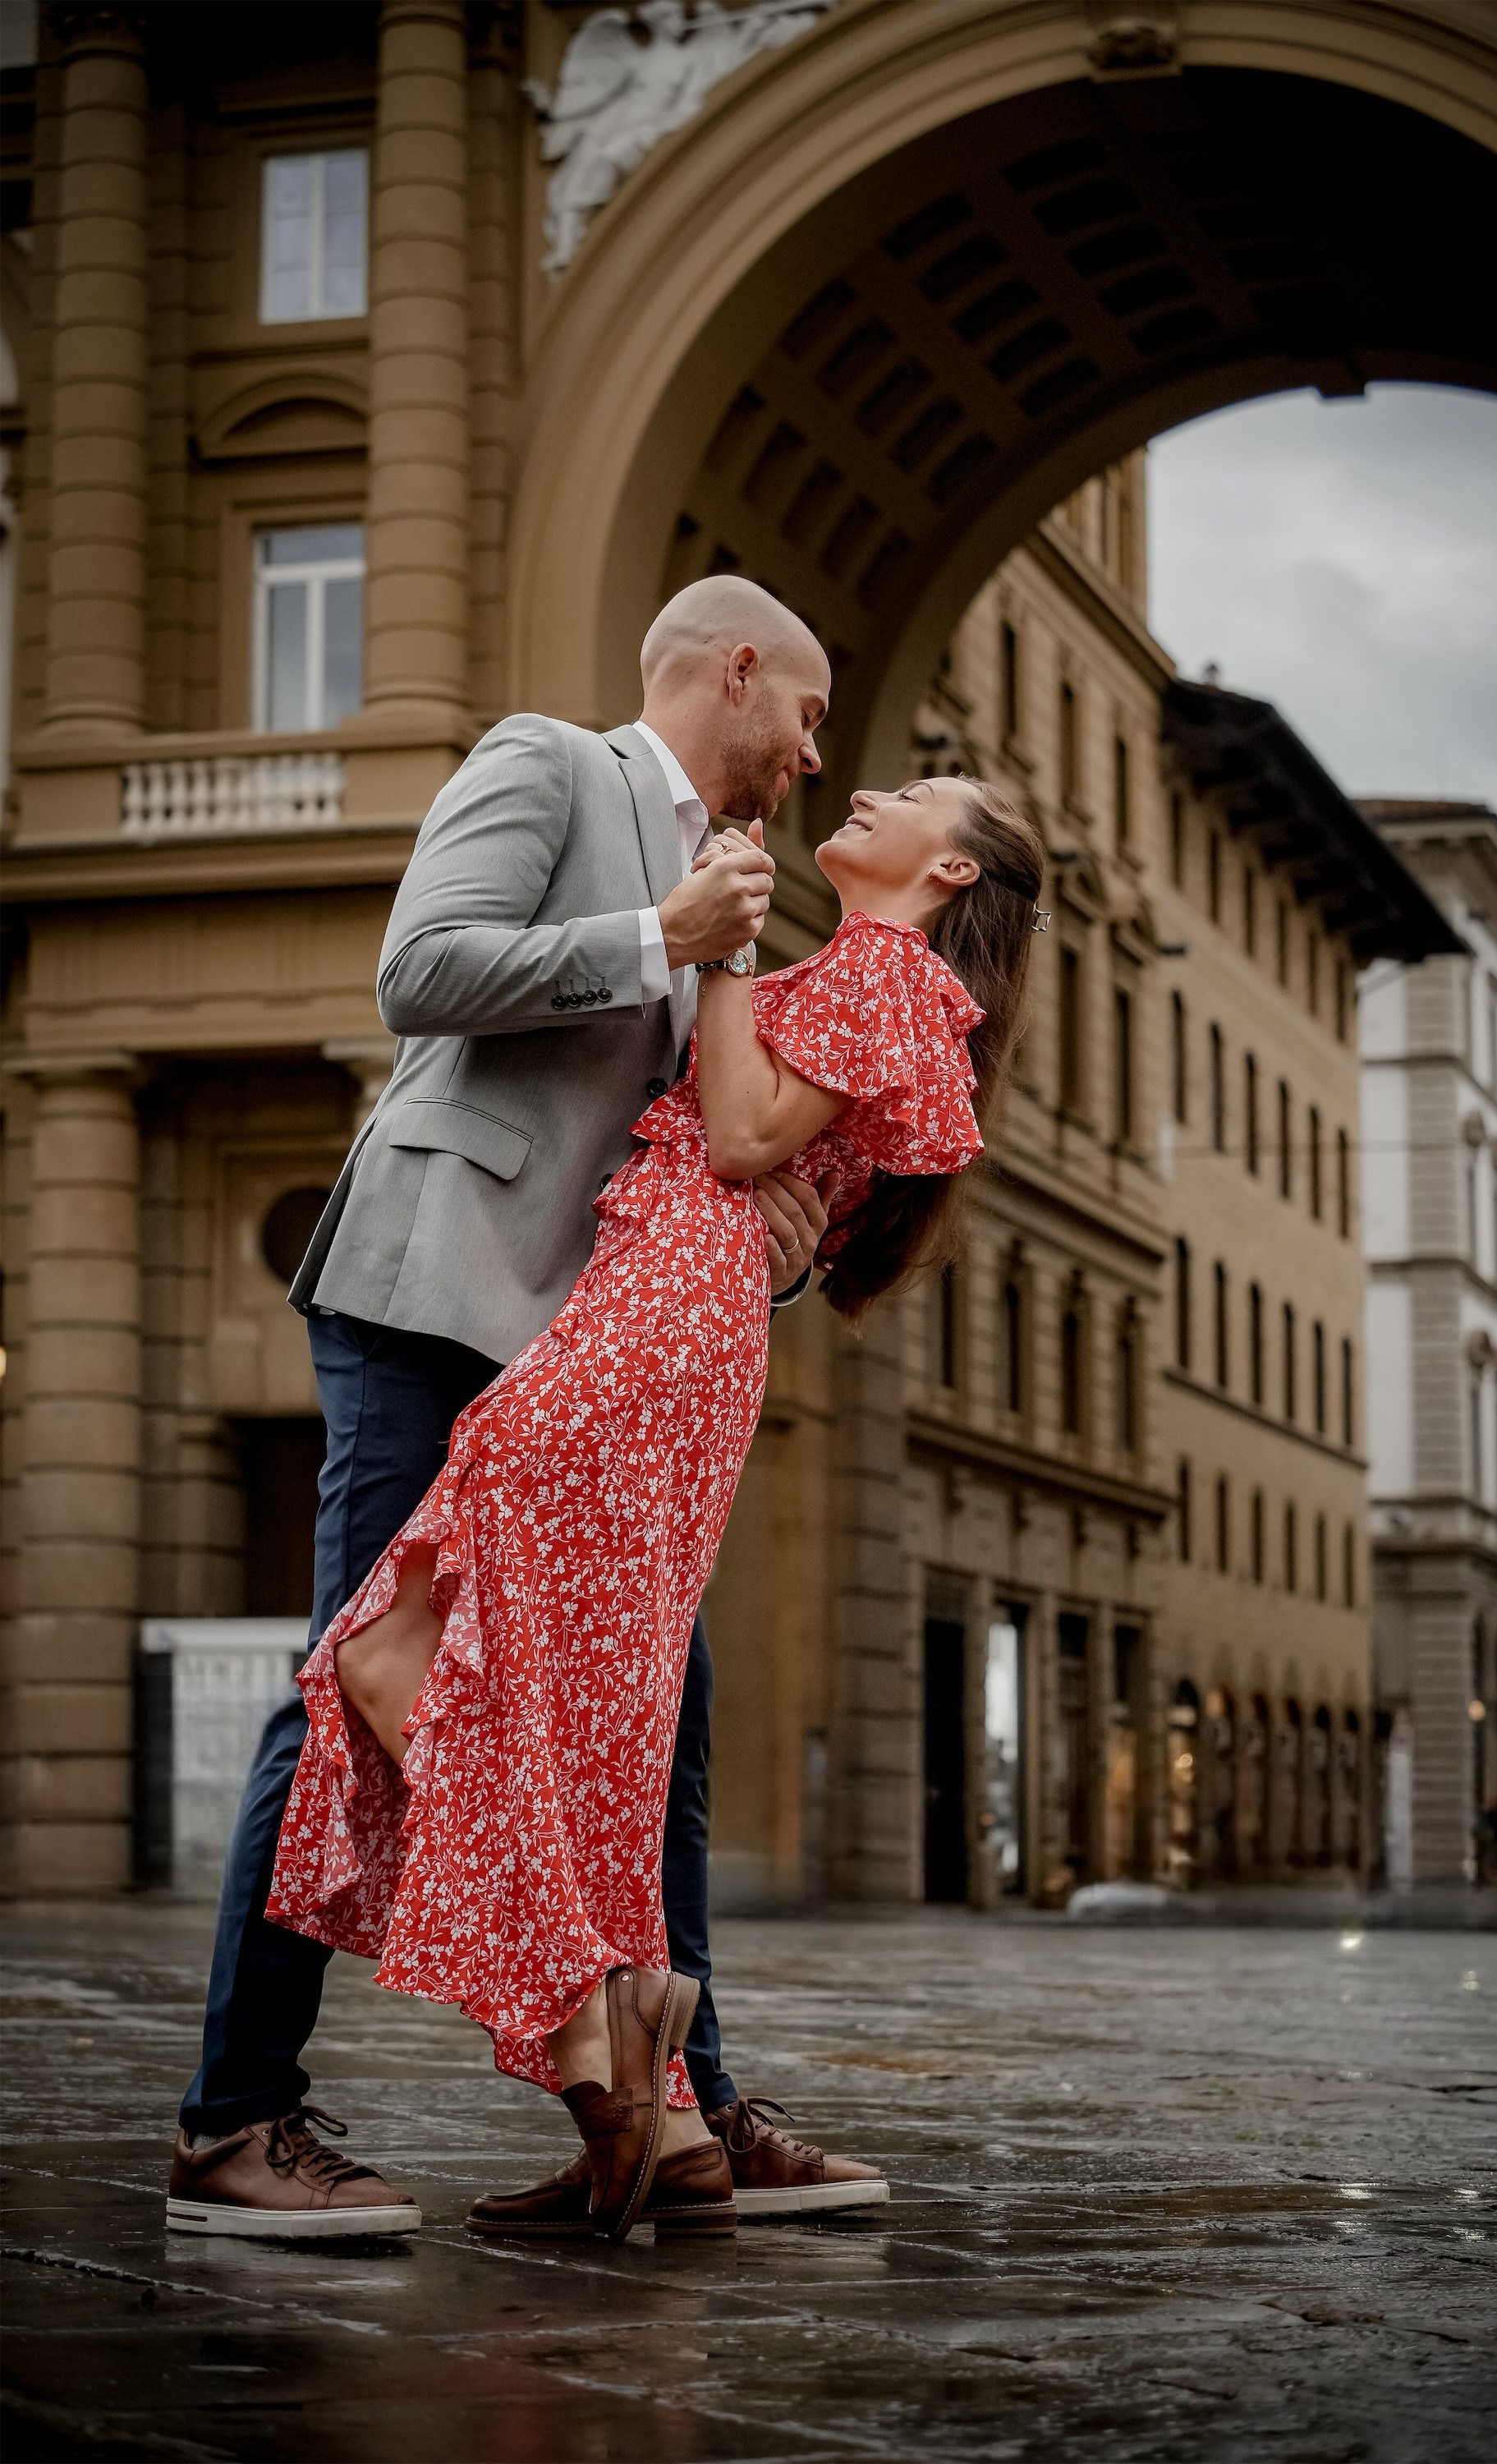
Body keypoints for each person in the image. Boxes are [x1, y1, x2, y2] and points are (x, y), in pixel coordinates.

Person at [167, 580, 881, 2237]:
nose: (816, 750)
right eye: (811, 712)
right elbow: (420, 971)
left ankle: (677, 2115)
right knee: (359, 1677)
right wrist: (660, 940)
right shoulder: (551, 765)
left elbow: (703, 1141)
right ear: (739, 671)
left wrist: (770, 1222)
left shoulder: (744, 886)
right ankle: (233, 2119)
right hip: (429, 1294)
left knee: (668, 1714)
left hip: (583, 1354)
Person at [262, 766, 1044, 2245]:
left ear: (950, 875)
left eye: (915, 794)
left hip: (655, 1322)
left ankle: (595, 2027)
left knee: (390, 1653)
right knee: (588, 1716)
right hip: (668, 1314)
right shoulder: (872, 974)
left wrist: (726, 946)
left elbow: (744, 1136)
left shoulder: (886, 971)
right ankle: (662, 2108)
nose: (865, 783)